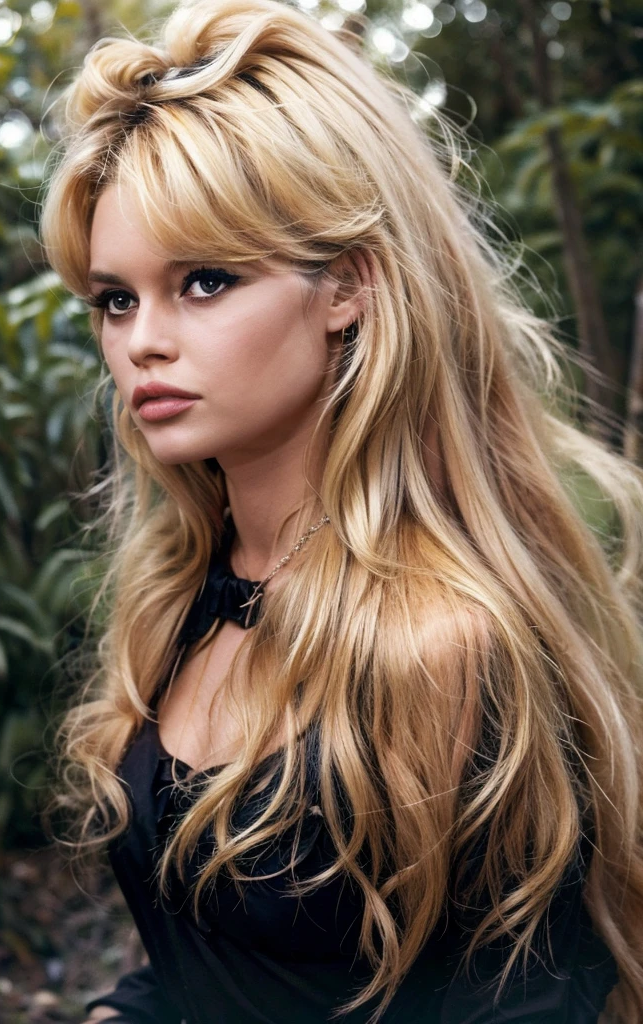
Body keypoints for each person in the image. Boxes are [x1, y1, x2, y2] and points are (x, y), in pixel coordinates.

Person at [39, 0, 643, 1020]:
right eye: (114, 298)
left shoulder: (451, 648)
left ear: (347, 287)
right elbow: (205, 966)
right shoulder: (182, 602)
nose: (140, 341)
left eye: (205, 280)